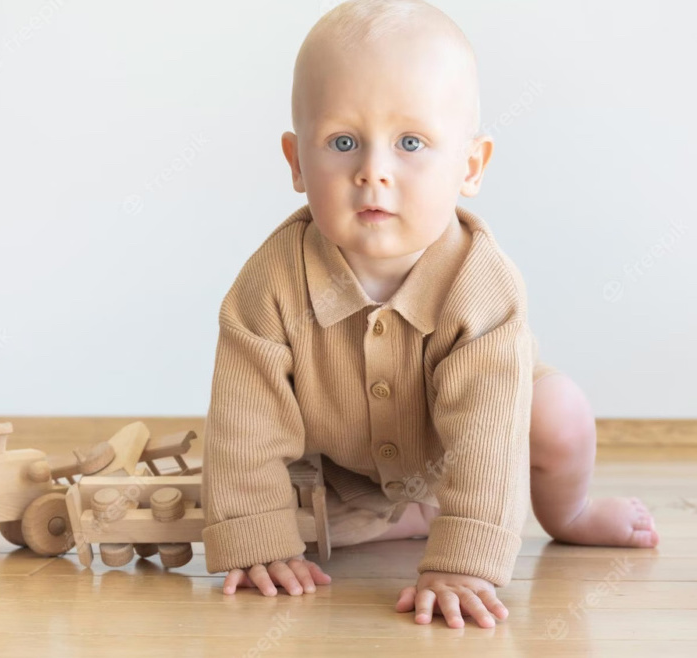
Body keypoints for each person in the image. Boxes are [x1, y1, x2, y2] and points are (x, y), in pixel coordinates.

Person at [201, 0, 658, 629]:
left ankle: (567, 512)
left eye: (410, 142)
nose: (374, 172)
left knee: (560, 414)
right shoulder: (271, 282)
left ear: (470, 165)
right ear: (297, 162)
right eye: (342, 142)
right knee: (295, 525)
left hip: (474, 449)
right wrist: (256, 537)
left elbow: (489, 436)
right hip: (346, 469)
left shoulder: (482, 284)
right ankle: (409, 515)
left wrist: (464, 561)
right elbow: (245, 420)